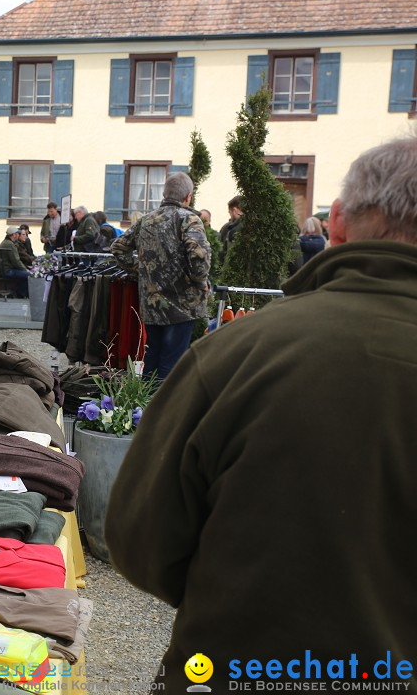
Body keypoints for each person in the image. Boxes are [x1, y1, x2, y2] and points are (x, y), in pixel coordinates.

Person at [105, 134, 417, 692]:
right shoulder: (196, 237)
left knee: (155, 368)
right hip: (182, 305)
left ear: (339, 223)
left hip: (236, 670)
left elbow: (142, 540)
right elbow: (202, 264)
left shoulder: (240, 352)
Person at [110, 172, 211, 380]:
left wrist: (143, 269)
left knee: (152, 360)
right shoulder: (189, 219)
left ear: (164, 194)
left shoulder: (147, 220)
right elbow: (199, 256)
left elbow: (118, 247)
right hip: (182, 304)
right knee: (171, 365)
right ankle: (161, 409)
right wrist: (201, 282)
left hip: (152, 302)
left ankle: (143, 408)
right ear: (188, 197)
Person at [0, 225, 30, 298]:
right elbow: (16, 261)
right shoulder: (10, 244)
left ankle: (19, 292)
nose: (18, 235)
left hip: (5, 269)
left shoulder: (7, 242)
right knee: (29, 275)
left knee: (25, 273)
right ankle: (21, 294)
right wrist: (25, 269)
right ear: (14, 235)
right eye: (17, 234)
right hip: (7, 271)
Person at [217, 195, 244, 265]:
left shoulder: (229, 228)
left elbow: (221, 252)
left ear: (235, 210)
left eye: (230, 212)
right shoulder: (256, 226)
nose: (230, 216)